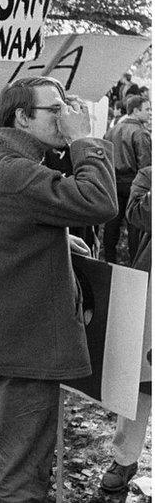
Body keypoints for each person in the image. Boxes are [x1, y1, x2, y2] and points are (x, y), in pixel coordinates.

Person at [0, 76, 118, 502]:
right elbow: (100, 202)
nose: (66, 115)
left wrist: (52, 238)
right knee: (23, 475)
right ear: (22, 118)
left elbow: (8, 235)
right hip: (29, 349)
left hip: (4, 341)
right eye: (56, 108)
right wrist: (84, 141)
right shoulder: (18, 173)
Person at [100, 165, 151, 494]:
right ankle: (125, 455)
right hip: (151, 287)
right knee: (142, 373)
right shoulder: (149, 174)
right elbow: (136, 216)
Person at [103, 95, 151, 264]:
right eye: (147, 109)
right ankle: (134, 264)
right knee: (135, 228)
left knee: (112, 225)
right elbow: (146, 165)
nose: (150, 113)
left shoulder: (112, 129)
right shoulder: (141, 132)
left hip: (113, 183)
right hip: (133, 183)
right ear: (136, 110)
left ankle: (108, 260)